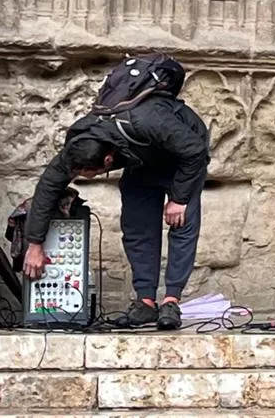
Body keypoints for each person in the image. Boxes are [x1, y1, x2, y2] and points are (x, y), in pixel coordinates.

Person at [20, 54, 210, 330]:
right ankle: (145, 302)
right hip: (142, 158)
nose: (86, 177)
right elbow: (48, 187)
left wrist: (179, 199)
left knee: (181, 224)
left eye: (91, 174)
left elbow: (194, 151)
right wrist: (35, 244)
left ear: (108, 161)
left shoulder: (149, 120)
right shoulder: (80, 144)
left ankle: (171, 301)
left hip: (183, 158)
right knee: (137, 229)